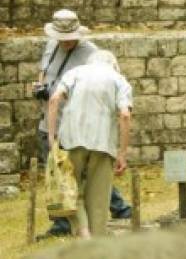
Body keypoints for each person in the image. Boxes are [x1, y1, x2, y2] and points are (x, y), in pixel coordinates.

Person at [33, 10, 131, 238]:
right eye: (62, 38)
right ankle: (79, 226)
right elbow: (44, 74)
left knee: (81, 177)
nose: (66, 42)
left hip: (72, 123)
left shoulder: (91, 55)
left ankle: (89, 223)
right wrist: (39, 88)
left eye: (70, 38)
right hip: (53, 121)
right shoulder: (51, 47)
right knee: (69, 177)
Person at [47, 49, 133, 238]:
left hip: (71, 139)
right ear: (113, 64)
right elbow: (125, 115)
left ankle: (83, 232)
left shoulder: (74, 73)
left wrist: (51, 136)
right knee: (100, 199)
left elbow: (54, 100)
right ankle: (96, 245)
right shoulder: (119, 80)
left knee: (70, 189)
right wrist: (122, 153)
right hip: (103, 142)